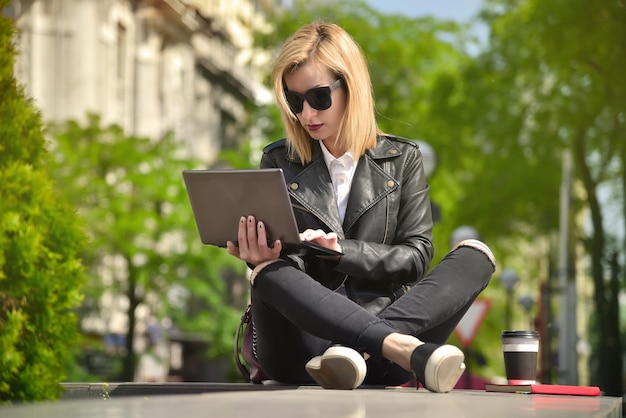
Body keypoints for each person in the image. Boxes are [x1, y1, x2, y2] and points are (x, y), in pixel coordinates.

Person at [226, 21, 495, 392]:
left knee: (475, 256)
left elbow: (416, 258)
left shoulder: (403, 160)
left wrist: (343, 252)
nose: (306, 114)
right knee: (269, 273)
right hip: (304, 348)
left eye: (319, 97)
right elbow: (286, 277)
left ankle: (362, 353)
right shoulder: (278, 161)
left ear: (350, 88)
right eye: (294, 100)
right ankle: (395, 346)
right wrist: (262, 256)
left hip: (383, 339)